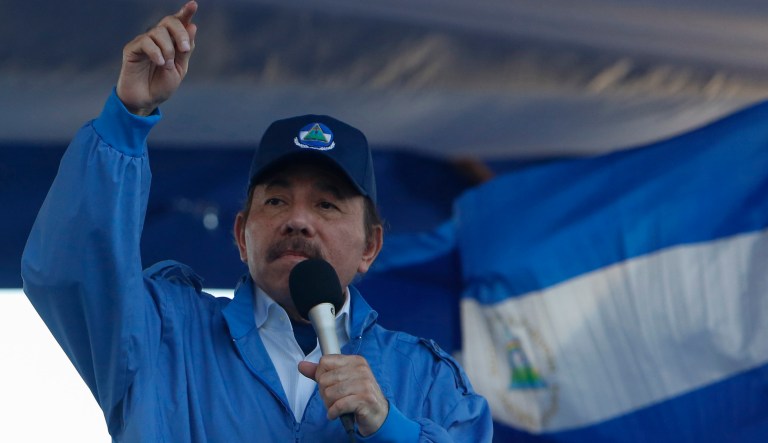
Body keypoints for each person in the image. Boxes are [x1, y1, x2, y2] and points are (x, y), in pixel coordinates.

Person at [21, 2, 492, 442]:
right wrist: (128, 116)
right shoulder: (161, 336)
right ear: (241, 236)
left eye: (327, 205)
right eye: (275, 202)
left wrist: (390, 427)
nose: (298, 221)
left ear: (371, 245)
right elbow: (72, 270)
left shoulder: (427, 379)